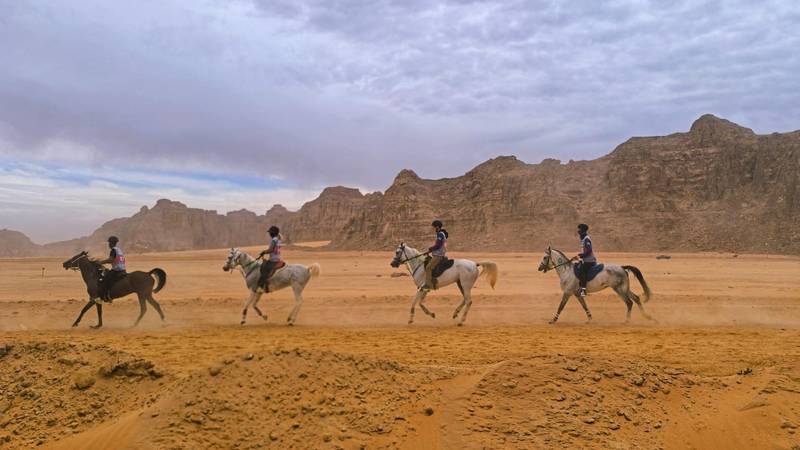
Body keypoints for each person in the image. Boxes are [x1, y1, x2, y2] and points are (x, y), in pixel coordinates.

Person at [98, 236, 126, 301]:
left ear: (111, 243)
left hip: (117, 270)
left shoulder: (113, 250)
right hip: (123, 269)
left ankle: (107, 296)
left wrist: (101, 262)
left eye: (109, 243)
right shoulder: (119, 250)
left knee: (105, 279)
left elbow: (111, 260)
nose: (108, 244)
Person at [423, 220, 448, 290]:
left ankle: (428, 285)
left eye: (433, 227)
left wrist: (431, 248)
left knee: (428, 268)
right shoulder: (439, 234)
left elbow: (438, 245)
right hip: (437, 253)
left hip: (439, 255)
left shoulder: (440, 234)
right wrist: (430, 250)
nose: (432, 229)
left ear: (437, 227)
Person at [257, 226, 282, 292]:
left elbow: (271, 250)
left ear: (273, 233)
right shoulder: (278, 239)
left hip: (274, 259)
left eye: (270, 233)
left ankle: (264, 286)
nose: (269, 234)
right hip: (278, 258)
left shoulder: (274, 240)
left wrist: (263, 252)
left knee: (263, 268)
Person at [575, 223, 597, 298]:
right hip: (585, 259)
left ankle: (583, 290)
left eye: (579, 229)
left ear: (583, 230)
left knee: (582, 271)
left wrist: (582, 255)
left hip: (589, 260)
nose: (578, 231)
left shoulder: (586, 239)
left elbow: (589, 250)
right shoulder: (583, 239)